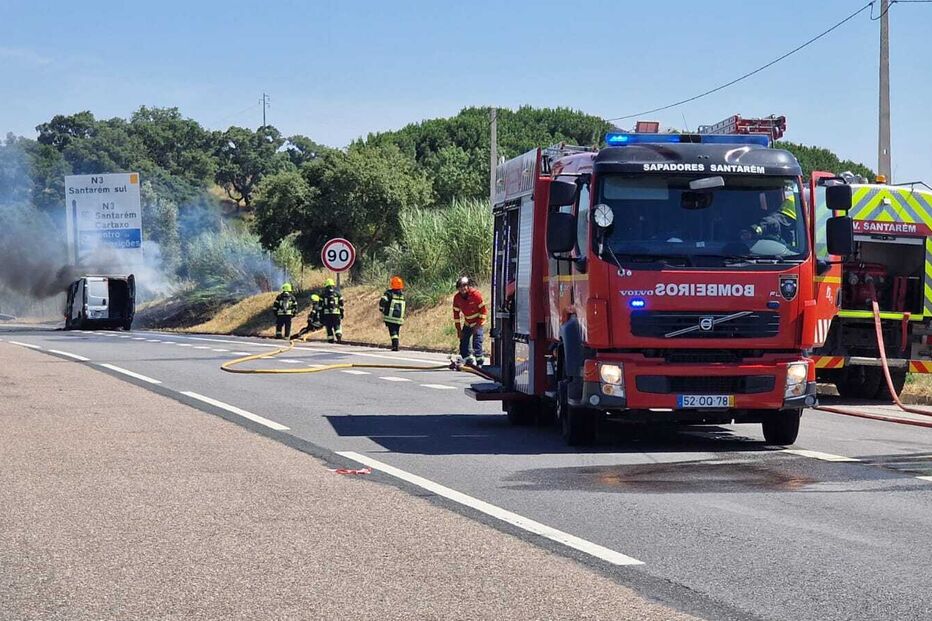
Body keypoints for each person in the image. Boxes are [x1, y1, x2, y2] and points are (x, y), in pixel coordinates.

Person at [452, 276, 487, 366]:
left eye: (464, 285)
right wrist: (459, 330)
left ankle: (480, 361)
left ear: (468, 286)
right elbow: (456, 315)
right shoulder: (457, 298)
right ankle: (468, 360)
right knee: (463, 342)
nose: (462, 288)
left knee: (477, 342)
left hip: (478, 322)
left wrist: (478, 325)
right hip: (468, 322)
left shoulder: (476, 295)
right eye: (460, 286)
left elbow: (483, 311)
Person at [379, 276, 406, 351]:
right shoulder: (402, 295)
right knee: (396, 332)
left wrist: (381, 308)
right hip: (399, 318)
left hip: (390, 317)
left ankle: (395, 346)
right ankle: (396, 345)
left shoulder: (389, 293)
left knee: (393, 332)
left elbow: (383, 301)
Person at [320, 277, 344, 343]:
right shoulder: (338, 294)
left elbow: (320, 307)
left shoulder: (323, 295)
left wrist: (321, 316)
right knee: (337, 325)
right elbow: (341, 305)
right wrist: (342, 313)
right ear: (333, 285)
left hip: (327, 314)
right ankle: (338, 335)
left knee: (329, 327)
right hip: (336, 313)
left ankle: (330, 339)